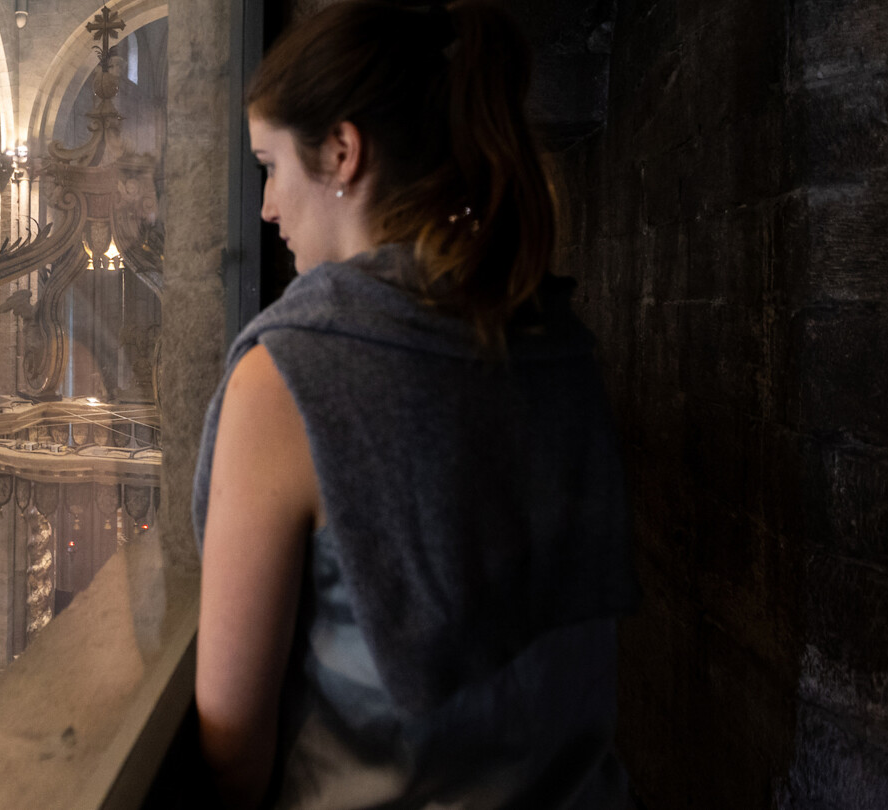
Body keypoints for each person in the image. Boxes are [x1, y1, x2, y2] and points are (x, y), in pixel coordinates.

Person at [194, 2, 638, 808]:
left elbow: (232, 752)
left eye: (270, 166)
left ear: (341, 152)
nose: (265, 207)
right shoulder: (559, 342)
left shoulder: (287, 376)